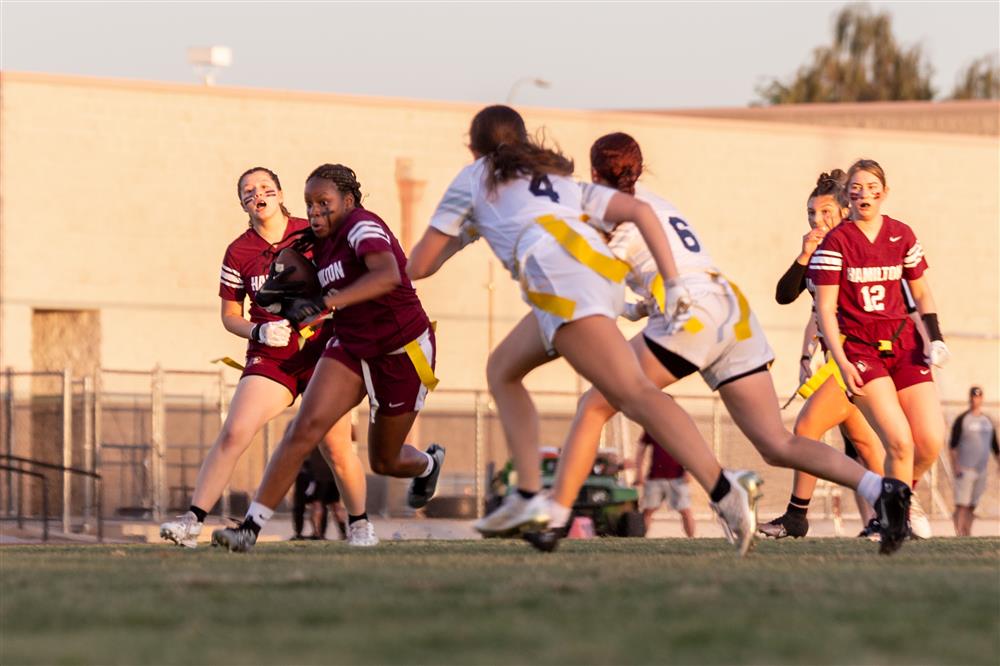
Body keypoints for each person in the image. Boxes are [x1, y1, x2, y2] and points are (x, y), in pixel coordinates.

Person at [409, 105, 772, 558]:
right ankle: (528, 497)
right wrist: (673, 282)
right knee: (502, 368)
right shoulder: (556, 179)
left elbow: (419, 265)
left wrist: (458, 237)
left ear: (473, 145)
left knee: (633, 394)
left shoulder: (474, 176)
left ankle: (723, 487)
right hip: (581, 277)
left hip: (560, 281)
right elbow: (638, 211)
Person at [531, 134, 900, 554]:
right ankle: (882, 487)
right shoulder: (656, 201)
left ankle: (556, 518)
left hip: (692, 314)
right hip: (732, 310)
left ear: (595, 174)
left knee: (596, 404)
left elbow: (598, 278)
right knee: (777, 443)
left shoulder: (604, 210)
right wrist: (637, 307)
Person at [212, 164, 443, 552]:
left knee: (385, 460)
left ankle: (429, 464)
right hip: (351, 344)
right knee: (303, 428)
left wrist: (325, 301)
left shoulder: (362, 226)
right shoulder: (315, 241)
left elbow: (387, 274)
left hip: (401, 349)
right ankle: (249, 530)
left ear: (349, 202)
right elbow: (298, 284)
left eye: (324, 203)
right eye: (309, 204)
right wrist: (285, 295)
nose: (315, 211)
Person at [159, 166, 368, 548]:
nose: (258, 194)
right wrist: (258, 331)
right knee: (235, 431)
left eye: (265, 187)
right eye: (249, 190)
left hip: (324, 350)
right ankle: (192, 521)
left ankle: (360, 525)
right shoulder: (239, 250)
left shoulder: (312, 229)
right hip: (271, 354)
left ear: (281, 193)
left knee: (337, 447)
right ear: (242, 202)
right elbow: (229, 315)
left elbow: (348, 276)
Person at [810, 158, 949, 554]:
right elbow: (825, 310)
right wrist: (839, 358)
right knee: (899, 442)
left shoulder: (900, 234)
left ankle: (903, 497)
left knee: (930, 440)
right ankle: (893, 524)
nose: (864, 193)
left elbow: (921, 292)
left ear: (884, 192)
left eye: (872, 186)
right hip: (861, 348)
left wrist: (935, 336)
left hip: (904, 344)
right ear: (846, 195)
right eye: (856, 187)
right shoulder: (837, 241)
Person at [759, 171, 891, 540]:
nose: (818, 222)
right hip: (840, 355)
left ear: (846, 210)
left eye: (826, 213)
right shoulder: (821, 251)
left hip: (860, 352)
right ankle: (895, 513)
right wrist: (804, 254)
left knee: (805, 429)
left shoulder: (853, 245)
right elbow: (785, 295)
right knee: (864, 444)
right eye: (812, 215)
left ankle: (796, 517)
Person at [950, 386, 998, 536]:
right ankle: (959, 532)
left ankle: (967, 532)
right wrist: (955, 466)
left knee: (972, 505)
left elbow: (995, 446)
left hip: (981, 470)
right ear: (969, 398)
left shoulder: (987, 421)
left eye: (978, 396)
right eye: (973, 396)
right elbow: (952, 446)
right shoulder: (963, 419)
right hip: (964, 469)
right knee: (962, 504)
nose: (975, 399)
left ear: (981, 398)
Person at [634, 430, 695, 537]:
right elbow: (641, 449)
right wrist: (639, 472)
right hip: (655, 478)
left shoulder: (679, 427)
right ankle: (641, 539)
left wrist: (689, 471)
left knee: (685, 510)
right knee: (648, 511)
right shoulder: (651, 425)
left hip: (678, 478)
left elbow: (690, 449)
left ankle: (692, 540)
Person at [292, 443, 348, 541]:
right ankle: (344, 533)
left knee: (317, 502)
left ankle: (317, 533)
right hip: (332, 469)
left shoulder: (314, 433)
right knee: (335, 503)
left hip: (317, 471)